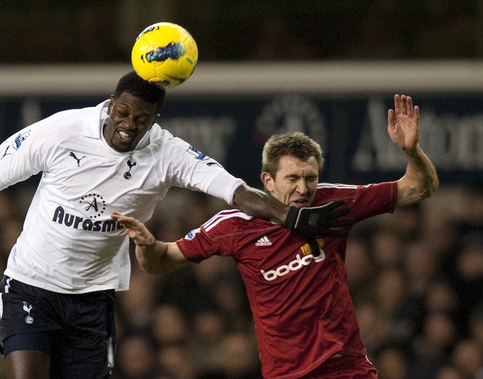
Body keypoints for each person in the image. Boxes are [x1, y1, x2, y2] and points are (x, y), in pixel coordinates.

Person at [0, 71, 349, 379]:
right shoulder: (62, 131)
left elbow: (234, 191)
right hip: (31, 286)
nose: (130, 125)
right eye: (124, 113)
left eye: (142, 119)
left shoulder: (167, 152)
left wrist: (291, 215)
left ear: (153, 120)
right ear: (111, 105)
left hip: (93, 297)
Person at [112, 94, 439, 379]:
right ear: (267, 181)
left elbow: (419, 187)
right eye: (292, 178)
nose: (303, 188)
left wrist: (411, 151)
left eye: (310, 177)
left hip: (346, 367)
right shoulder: (234, 225)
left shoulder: (333, 202)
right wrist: (146, 245)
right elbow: (160, 262)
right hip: (285, 374)